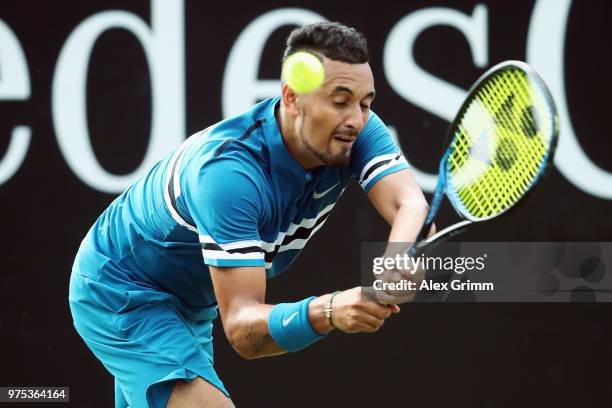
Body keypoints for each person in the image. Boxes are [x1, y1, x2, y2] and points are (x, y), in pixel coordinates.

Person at [69, 21, 432, 408]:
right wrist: (331, 309)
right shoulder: (229, 176)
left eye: (366, 102)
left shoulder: (356, 131)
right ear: (292, 98)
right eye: (340, 101)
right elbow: (244, 331)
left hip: (191, 303)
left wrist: (400, 261)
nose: (357, 119)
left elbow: (409, 205)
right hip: (120, 290)